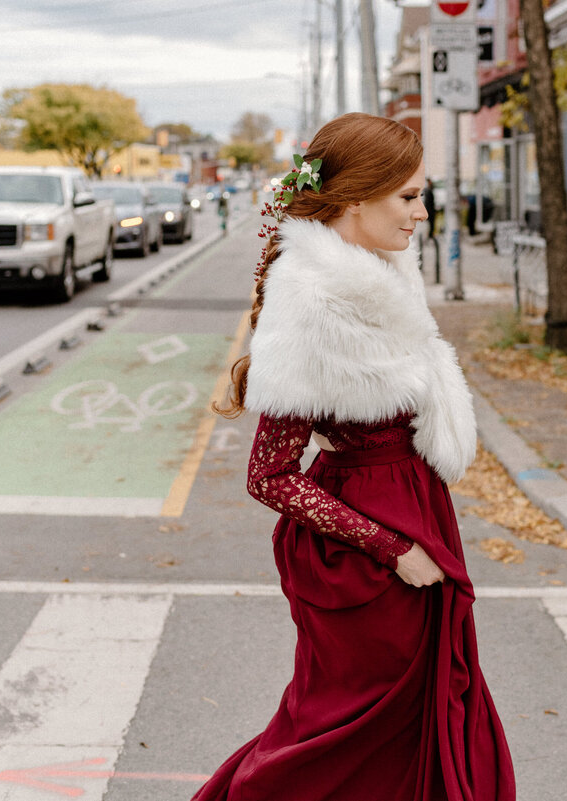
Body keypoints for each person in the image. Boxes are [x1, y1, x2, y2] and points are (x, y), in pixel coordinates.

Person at [195, 113, 516, 801]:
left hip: (415, 516)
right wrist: (391, 546)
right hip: (365, 554)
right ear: (354, 199)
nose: (420, 213)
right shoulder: (312, 299)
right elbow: (269, 474)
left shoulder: (386, 275)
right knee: (340, 731)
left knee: (406, 727)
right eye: (407, 196)